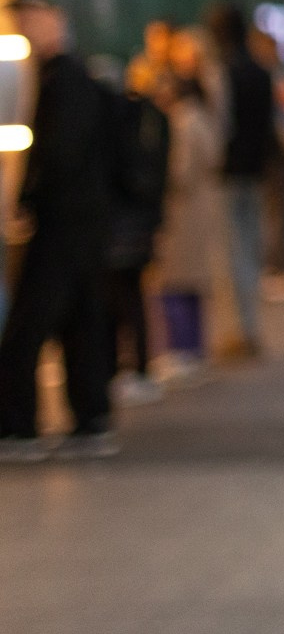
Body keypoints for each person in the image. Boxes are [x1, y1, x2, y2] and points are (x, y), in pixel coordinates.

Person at [0, 0, 123, 459]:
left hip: (63, 224)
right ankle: (90, 417)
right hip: (84, 223)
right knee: (81, 321)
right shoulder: (67, 77)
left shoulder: (63, 81)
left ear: (54, 20)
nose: (25, 29)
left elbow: (60, 156)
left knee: (28, 326)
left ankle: (17, 425)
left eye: (30, 19)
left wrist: (28, 200)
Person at [153, 55, 229, 384]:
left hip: (181, 212)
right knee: (193, 284)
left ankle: (181, 350)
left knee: (174, 283)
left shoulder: (181, 123)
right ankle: (195, 348)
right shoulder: (202, 118)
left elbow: (178, 173)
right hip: (201, 207)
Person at [206, 2, 271, 359]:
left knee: (231, 256)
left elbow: (221, 126)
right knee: (249, 248)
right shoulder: (261, 71)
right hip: (255, 171)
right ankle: (250, 327)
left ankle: (240, 331)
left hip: (228, 174)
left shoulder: (222, 72)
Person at [106, 55, 171, 407]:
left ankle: (133, 367)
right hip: (142, 220)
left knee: (123, 297)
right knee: (132, 296)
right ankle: (138, 367)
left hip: (122, 222)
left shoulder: (126, 118)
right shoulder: (156, 118)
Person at [254, 23, 284, 302]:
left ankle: (276, 267)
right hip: (270, 155)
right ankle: (273, 269)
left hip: (278, 153)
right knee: (273, 213)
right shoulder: (265, 79)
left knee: (278, 212)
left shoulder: (278, 78)